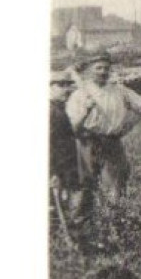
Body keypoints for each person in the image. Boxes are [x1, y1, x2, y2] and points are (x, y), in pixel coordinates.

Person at [66, 51, 141, 212]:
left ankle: (114, 223)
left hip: (112, 142)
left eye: (106, 68)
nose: (103, 72)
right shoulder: (79, 94)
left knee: (115, 187)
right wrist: (85, 111)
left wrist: (127, 126)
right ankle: (83, 225)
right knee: (84, 187)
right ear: (90, 70)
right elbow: (73, 128)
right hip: (86, 142)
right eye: (98, 68)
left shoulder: (119, 90)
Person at [49, 71, 81, 218]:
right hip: (56, 172)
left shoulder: (60, 109)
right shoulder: (50, 111)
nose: (66, 90)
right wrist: (54, 173)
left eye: (68, 86)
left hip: (65, 170)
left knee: (61, 209)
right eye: (61, 85)